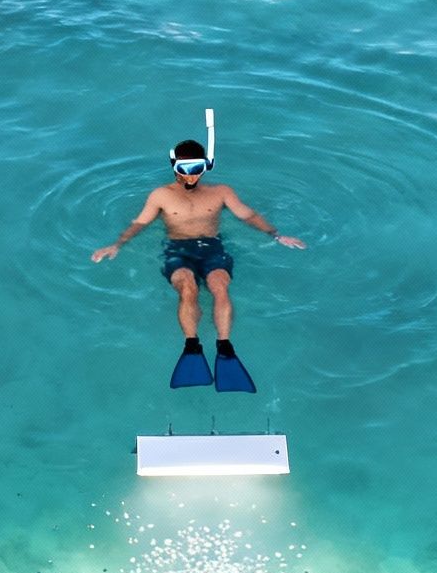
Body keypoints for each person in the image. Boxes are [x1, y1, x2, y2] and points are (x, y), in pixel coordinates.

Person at [92, 139, 306, 391]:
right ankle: (192, 345)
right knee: (187, 286)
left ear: (206, 166)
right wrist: (117, 244)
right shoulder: (161, 195)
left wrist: (276, 235)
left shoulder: (221, 192)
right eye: (185, 169)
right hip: (178, 249)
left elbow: (248, 215)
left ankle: (224, 347)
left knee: (219, 285)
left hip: (212, 248)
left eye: (196, 168)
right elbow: (140, 223)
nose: (191, 176)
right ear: (175, 167)